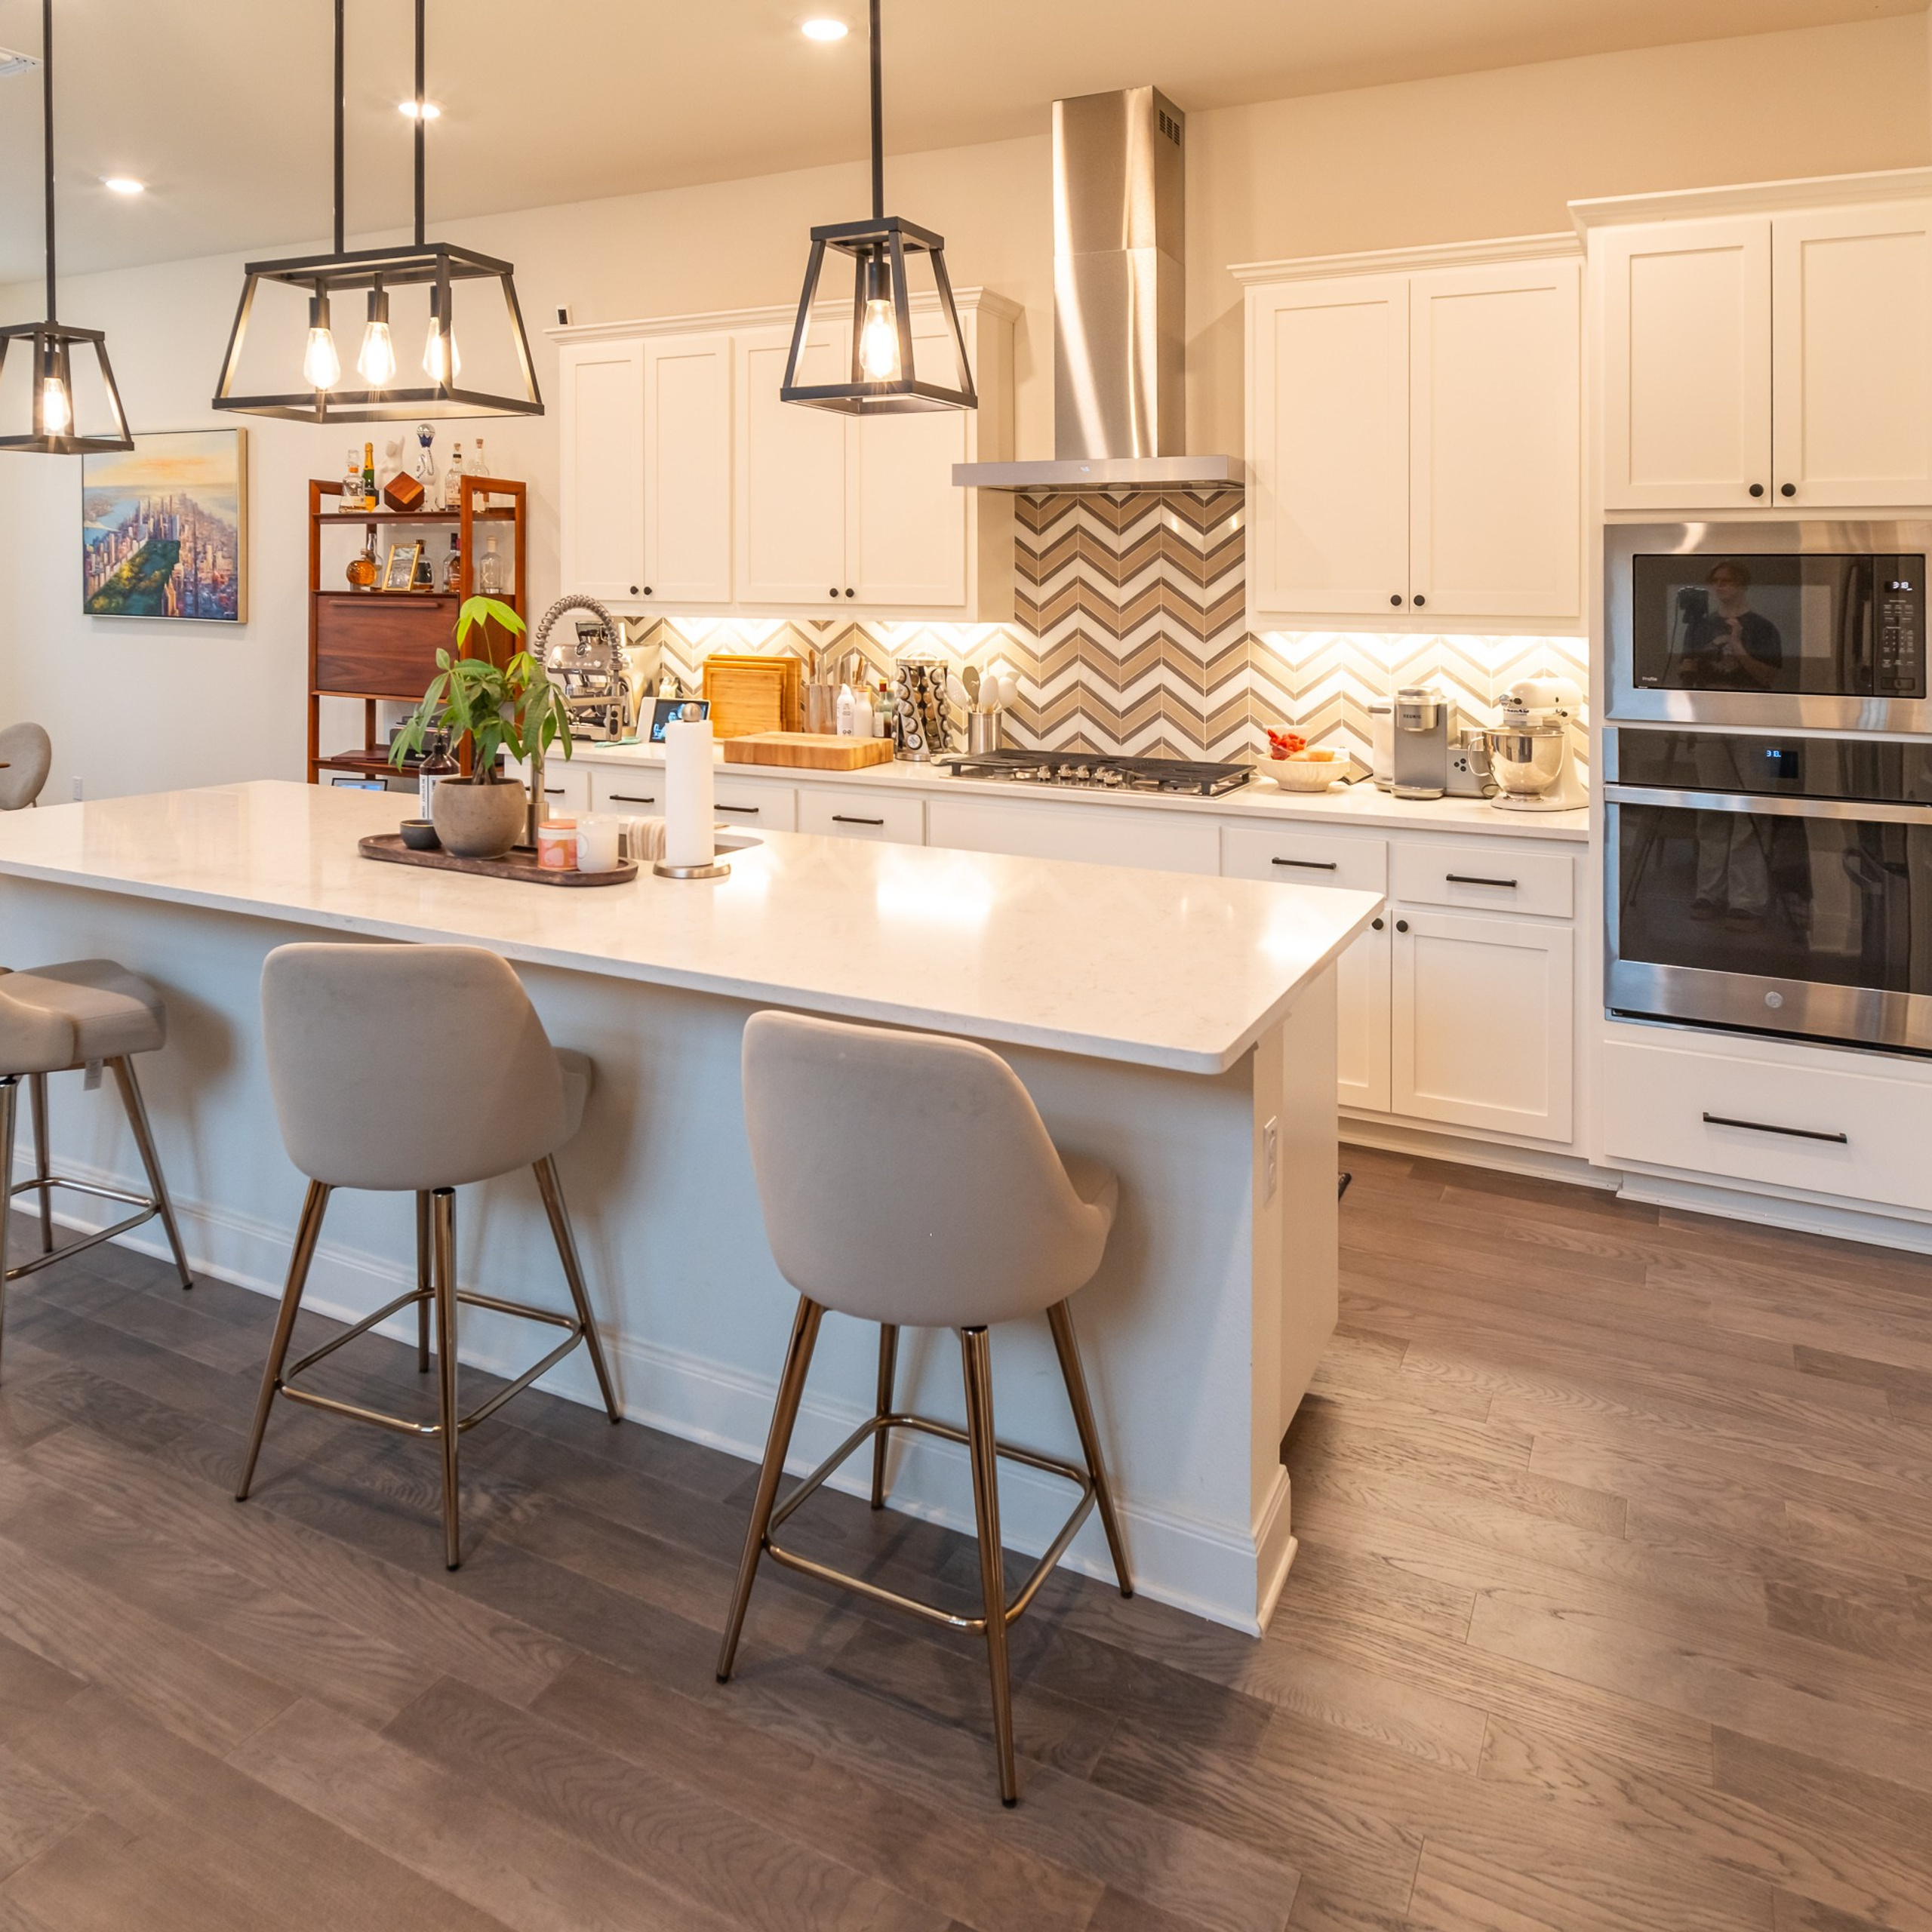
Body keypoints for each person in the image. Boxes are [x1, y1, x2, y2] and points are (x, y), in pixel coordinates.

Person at [1677, 564, 1782, 928]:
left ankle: (1747, 901)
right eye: (1716, 581)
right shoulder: (1699, 627)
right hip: (1709, 723)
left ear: (1743, 584)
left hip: (1757, 725)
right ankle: (1708, 893)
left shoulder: (1762, 627)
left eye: (1729, 580)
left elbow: (1768, 677)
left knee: (1752, 811)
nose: (1721, 586)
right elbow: (1688, 674)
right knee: (1712, 809)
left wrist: (1738, 646)